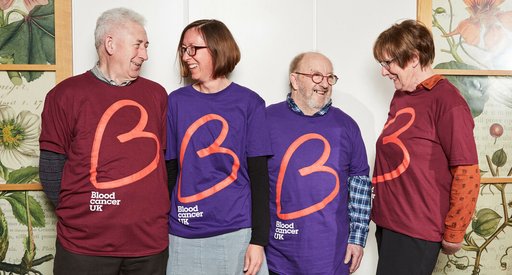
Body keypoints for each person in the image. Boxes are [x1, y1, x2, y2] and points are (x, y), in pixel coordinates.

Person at [38, 7, 169, 275]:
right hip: (83, 247)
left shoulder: (157, 95)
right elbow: (51, 166)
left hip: (148, 246)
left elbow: (167, 164)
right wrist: (81, 216)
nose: (145, 54)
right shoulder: (65, 94)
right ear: (110, 44)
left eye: (146, 46)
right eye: (138, 45)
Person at [371, 19, 480, 275]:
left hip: (416, 229)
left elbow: (467, 171)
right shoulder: (403, 95)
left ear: (413, 58)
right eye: (382, 63)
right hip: (390, 223)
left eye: (388, 63)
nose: (383, 71)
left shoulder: (448, 101)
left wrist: (455, 230)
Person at [165, 19, 272, 275]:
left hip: (236, 232)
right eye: (183, 49)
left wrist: (258, 240)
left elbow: (259, 177)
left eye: (193, 48)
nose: (186, 56)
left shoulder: (250, 103)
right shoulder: (175, 102)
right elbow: (169, 172)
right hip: (183, 232)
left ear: (217, 49)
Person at [264, 52, 372, 275]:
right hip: (276, 255)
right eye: (316, 76)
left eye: (329, 77)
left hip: (331, 256)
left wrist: (357, 239)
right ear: (295, 79)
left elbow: (359, 185)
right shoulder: (265, 120)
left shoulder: (347, 125)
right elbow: (250, 183)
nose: (324, 83)